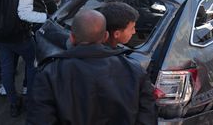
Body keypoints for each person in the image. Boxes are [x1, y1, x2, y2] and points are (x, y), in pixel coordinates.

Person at [27, 10, 157, 125]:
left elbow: (40, 119)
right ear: (105, 36)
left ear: (72, 38)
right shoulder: (135, 70)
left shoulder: (49, 74)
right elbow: (148, 117)